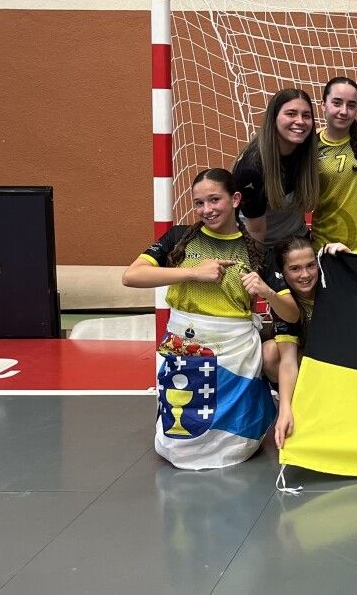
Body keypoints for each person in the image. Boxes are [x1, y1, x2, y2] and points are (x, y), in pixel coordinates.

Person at [122, 168, 300, 469]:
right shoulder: (179, 237)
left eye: (215, 200)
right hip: (183, 348)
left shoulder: (256, 250)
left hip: (234, 353)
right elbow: (131, 276)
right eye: (199, 203)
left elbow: (291, 312)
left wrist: (267, 292)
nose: (207, 209)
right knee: (180, 432)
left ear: (235, 199)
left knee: (237, 440)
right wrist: (193, 272)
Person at [231, 88, 320, 247]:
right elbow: (256, 233)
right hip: (264, 246)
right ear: (273, 119)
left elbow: (334, 133)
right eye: (291, 114)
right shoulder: (251, 169)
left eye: (306, 115)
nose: (300, 121)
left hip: (297, 240)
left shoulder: (305, 147)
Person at [265, 236, 326, 449]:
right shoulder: (284, 303)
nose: (306, 275)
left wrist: (345, 255)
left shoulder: (333, 284)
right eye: (295, 269)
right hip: (309, 364)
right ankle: (299, 406)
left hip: (339, 361)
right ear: (282, 273)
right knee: (270, 353)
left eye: (311, 266)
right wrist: (285, 410)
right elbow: (288, 360)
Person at [311, 76, 357, 254]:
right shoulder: (309, 147)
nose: (344, 111)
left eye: (351, 105)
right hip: (325, 247)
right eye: (337, 103)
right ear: (323, 104)